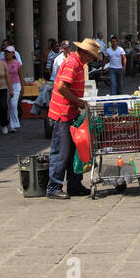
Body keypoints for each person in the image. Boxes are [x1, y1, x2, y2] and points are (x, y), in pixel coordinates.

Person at [45, 38, 102, 199]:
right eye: (90, 56)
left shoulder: (78, 63)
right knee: (61, 152)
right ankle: (54, 187)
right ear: (83, 52)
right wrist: (78, 101)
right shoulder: (72, 63)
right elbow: (62, 86)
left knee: (72, 151)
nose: (91, 60)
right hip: (61, 113)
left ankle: (74, 185)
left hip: (70, 112)